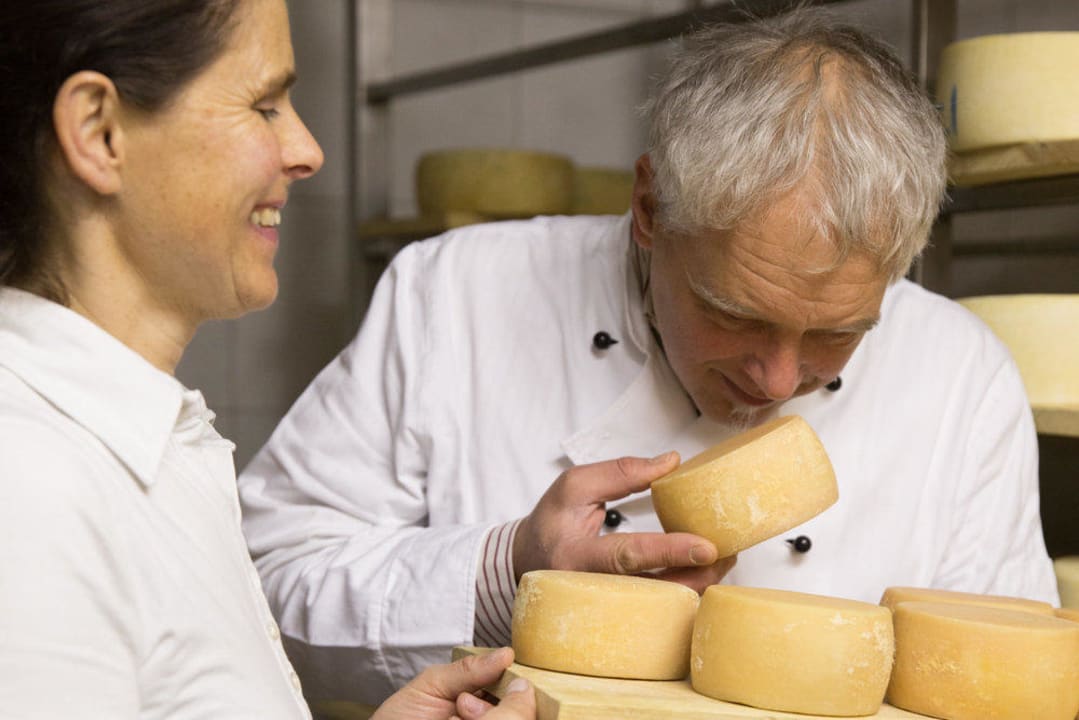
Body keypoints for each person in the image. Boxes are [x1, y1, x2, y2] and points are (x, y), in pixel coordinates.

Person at [238, 4, 1060, 706]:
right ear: (648, 209)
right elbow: (260, 589)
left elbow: (1005, 686)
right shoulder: (453, 295)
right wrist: (502, 571)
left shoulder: (959, 374)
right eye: (731, 313)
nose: (777, 379)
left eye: (837, 333)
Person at [0, 1, 535, 718]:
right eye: (264, 105)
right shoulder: (27, 482)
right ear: (100, 133)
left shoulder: (148, 446)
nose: (307, 150)